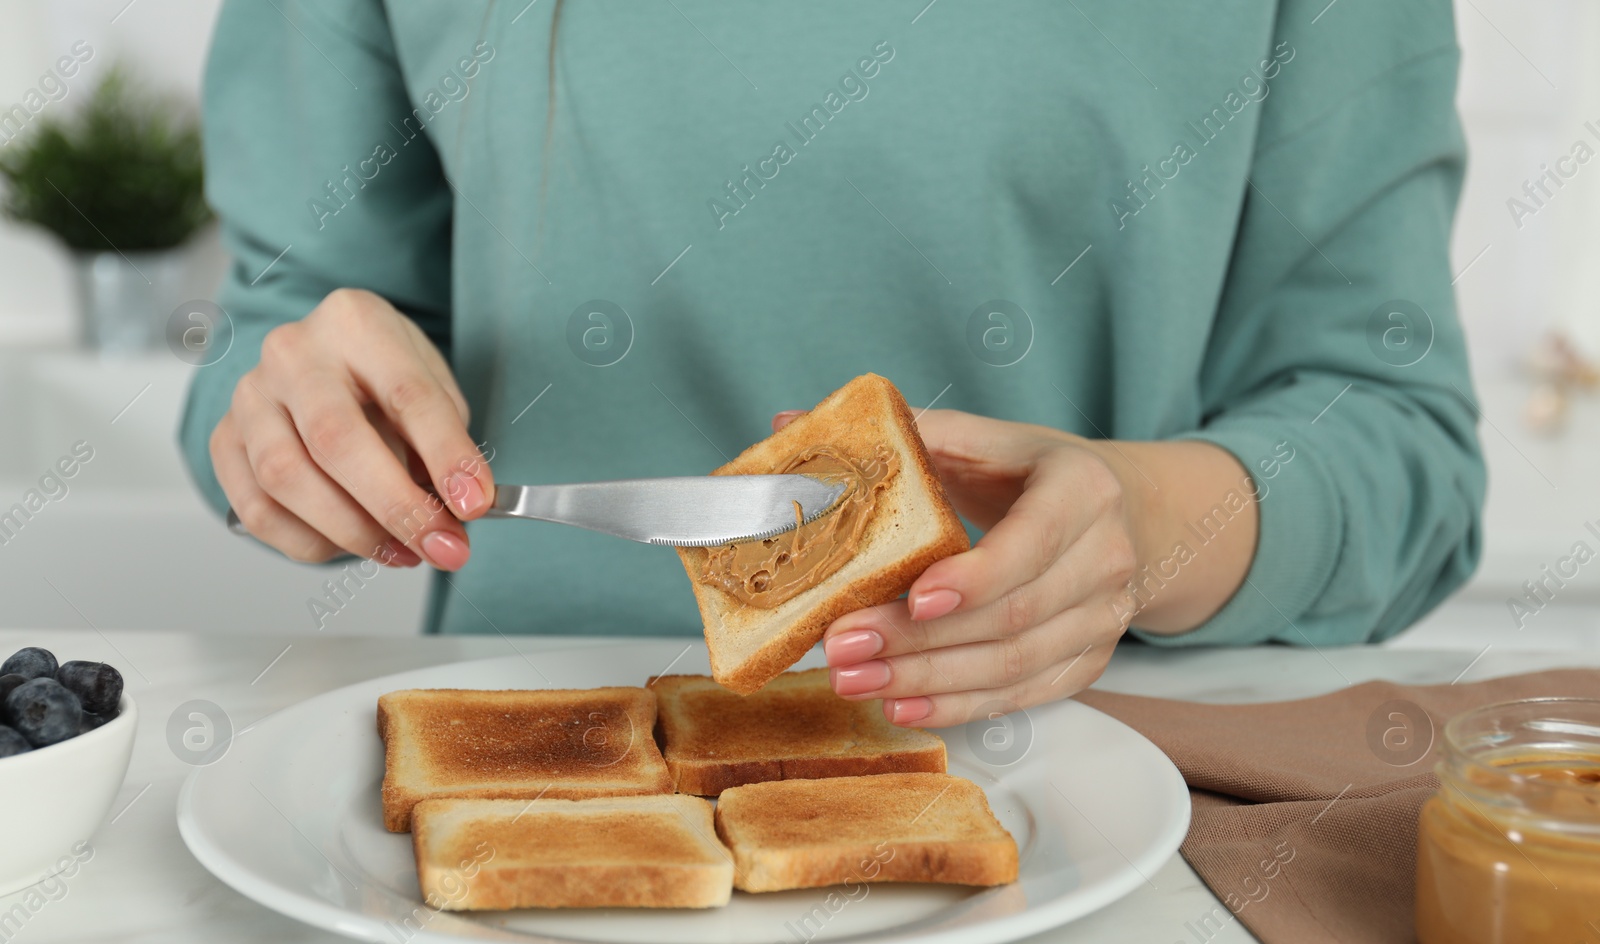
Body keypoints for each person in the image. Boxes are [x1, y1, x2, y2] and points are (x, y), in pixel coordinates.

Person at [180, 0, 1484, 727]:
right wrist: (287, 426)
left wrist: (1138, 526)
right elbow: (276, 329)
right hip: (524, 754)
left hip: (1076, 795)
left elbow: (1397, 444)